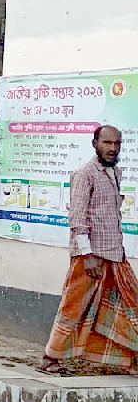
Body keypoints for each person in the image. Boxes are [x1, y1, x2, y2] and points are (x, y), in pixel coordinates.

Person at [40, 125, 138, 377]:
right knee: (74, 307)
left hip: (115, 255)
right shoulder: (85, 174)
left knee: (128, 306)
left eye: (116, 143)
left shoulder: (115, 172)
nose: (112, 148)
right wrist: (87, 255)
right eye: (107, 143)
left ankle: (130, 359)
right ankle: (50, 357)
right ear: (95, 144)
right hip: (90, 257)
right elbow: (78, 218)